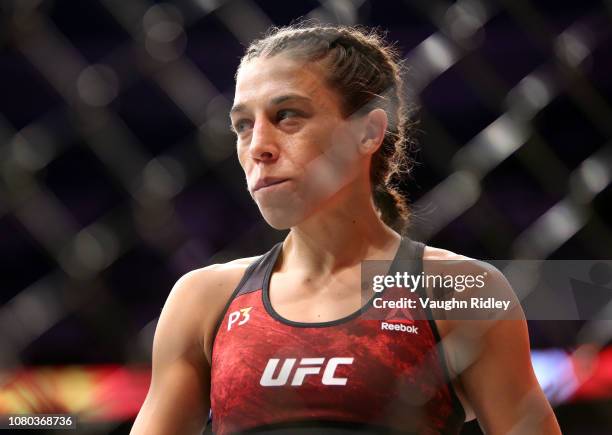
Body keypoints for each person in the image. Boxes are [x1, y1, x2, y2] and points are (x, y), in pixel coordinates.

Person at [131, 23, 561, 435]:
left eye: (287, 116)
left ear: (368, 132)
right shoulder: (204, 299)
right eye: (243, 124)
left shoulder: (457, 290)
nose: (258, 146)